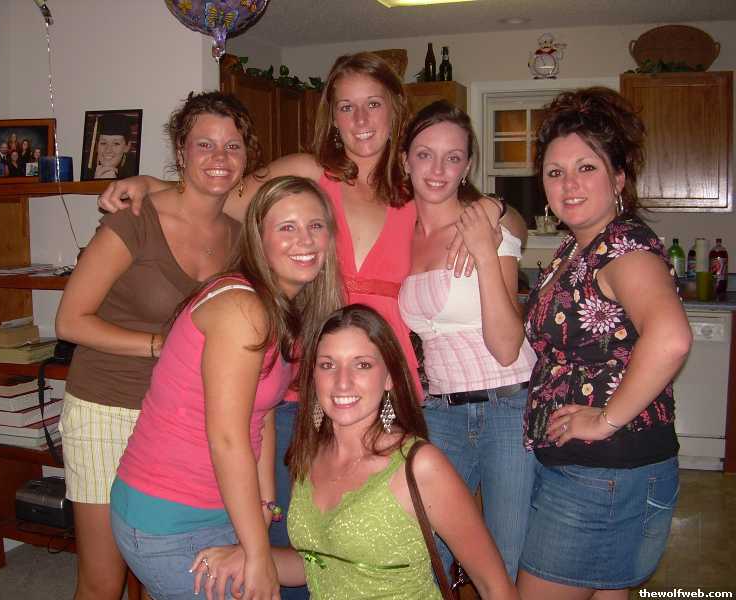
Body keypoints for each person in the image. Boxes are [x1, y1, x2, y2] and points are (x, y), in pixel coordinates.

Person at [97, 53, 474, 599]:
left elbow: (484, 213)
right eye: (346, 107)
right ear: (331, 117)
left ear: (395, 110)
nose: (361, 120)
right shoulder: (307, 173)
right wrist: (150, 184)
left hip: (385, 389)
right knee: (292, 538)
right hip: (303, 391)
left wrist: (495, 213)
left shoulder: (418, 188)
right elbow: (222, 193)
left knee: (386, 540)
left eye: (373, 104)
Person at [54, 91, 260, 600]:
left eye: (232, 146)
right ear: (181, 151)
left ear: (246, 157)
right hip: (108, 407)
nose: (219, 157)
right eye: (204, 144)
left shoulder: (242, 237)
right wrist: (162, 345)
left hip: (180, 419)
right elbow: (70, 321)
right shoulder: (136, 219)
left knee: (161, 574)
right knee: (103, 581)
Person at [110, 176, 343, 600]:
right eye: (286, 227)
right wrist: (258, 555)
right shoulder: (243, 308)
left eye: (315, 225)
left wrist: (265, 503)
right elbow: (227, 438)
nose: (305, 240)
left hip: (218, 503)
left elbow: (262, 413)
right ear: (258, 239)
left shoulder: (283, 308)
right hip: (169, 514)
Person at [190, 305, 517, 600]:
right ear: (313, 377)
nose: (342, 382)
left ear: (388, 378)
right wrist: (251, 556)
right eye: (328, 365)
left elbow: (495, 587)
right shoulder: (309, 456)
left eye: (362, 365)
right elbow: (317, 565)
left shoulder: (418, 466)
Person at [517, 87, 692, 598]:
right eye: (555, 172)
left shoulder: (623, 248)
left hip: (604, 474)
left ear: (618, 178)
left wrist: (605, 419)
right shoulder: (579, 247)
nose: (569, 184)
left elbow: (671, 338)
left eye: (586, 167)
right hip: (602, 471)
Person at [398, 100, 536, 581]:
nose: (438, 170)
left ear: (467, 166)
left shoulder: (487, 228)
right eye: (425, 154)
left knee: (502, 559)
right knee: (424, 552)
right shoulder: (400, 232)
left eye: (452, 157)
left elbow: (507, 346)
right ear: (405, 160)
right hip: (440, 410)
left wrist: (484, 250)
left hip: (508, 407)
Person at [87, 113, 138, 180]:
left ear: (127, 147)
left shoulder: (134, 175)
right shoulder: (86, 171)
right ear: (97, 145)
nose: (108, 150)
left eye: (116, 143)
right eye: (103, 143)